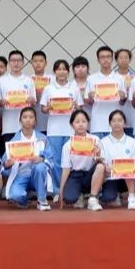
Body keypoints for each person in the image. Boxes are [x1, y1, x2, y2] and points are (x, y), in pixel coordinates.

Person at [39, 59, 81, 191]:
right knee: (56, 160)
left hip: (70, 130)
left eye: (64, 69)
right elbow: (43, 109)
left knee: (71, 160)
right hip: (54, 130)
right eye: (59, 69)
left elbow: (80, 109)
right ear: (54, 72)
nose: (61, 72)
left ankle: (70, 188)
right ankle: (57, 189)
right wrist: (49, 107)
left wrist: (76, 106)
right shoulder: (48, 88)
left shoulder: (74, 88)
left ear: (68, 72)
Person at [1, 107, 51, 211]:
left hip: (36, 175)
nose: (28, 120)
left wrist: (41, 159)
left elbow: (51, 160)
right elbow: (3, 167)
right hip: (21, 176)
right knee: (15, 196)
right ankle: (25, 199)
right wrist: (7, 164)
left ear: (35, 121)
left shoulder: (42, 139)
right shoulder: (14, 141)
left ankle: (42, 200)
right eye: (25, 117)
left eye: (31, 117)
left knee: (40, 167)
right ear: (20, 120)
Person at [58, 109, 105, 210]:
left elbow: (102, 162)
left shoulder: (95, 140)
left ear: (88, 123)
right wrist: (61, 191)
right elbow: (66, 169)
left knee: (100, 167)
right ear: (71, 125)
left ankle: (93, 198)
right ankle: (79, 194)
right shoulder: (68, 145)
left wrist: (98, 153)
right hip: (75, 175)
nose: (80, 124)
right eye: (77, 122)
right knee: (69, 198)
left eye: (84, 121)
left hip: (90, 174)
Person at [98, 110, 135, 210]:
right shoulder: (103, 142)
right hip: (110, 177)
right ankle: (117, 195)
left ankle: (132, 196)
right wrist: (107, 167)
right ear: (109, 124)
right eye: (113, 121)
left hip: (127, 178)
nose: (116, 123)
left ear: (124, 123)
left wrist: (125, 168)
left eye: (120, 120)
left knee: (130, 168)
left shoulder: (132, 142)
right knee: (109, 197)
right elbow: (103, 162)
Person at [85, 46, 126, 139]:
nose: (105, 59)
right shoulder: (91, 78)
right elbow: (89, 102)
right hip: (97, 124)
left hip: (116, 124)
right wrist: (90, 97)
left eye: (108, 56)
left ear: (112, 59)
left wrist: (123, 97)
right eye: (102, 57)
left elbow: (122, 102)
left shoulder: (119, 78)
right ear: (98, 60)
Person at [0, 50, 36, 143]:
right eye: (13, 60)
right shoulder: (2, 80)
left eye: (19, 60)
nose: (16, 63)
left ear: (23, 62)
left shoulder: (28, 80)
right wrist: (1, 102)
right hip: (8, 126)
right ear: (9, 63)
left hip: (26, 127)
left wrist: (31, 100)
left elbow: (34, 103)